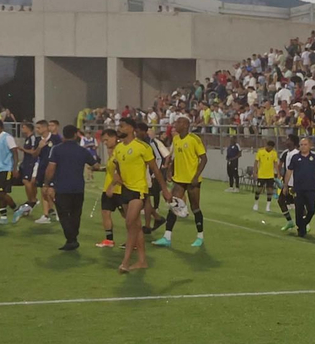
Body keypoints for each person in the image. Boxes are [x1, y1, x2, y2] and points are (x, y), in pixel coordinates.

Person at [107, 118, 168, 274]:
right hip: (125, 190)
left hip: (139, 190)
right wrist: (113, 184)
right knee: (136, 226)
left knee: (129, 223)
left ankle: (125, 262)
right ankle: (142, 261)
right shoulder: (119, 148)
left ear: (131, 128)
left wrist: (165, 190)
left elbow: (155, 169)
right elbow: (118, 167)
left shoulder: (142, 147)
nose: (119, 129)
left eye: (122, 126)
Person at [42, 124, 100, 251]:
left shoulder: (57, 149)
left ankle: (71, 239)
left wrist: (46, 184)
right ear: (75, 135)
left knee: (63, 214)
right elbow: (95, 165)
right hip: (78, 188)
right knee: (75, 214)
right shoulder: (82, 151)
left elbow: (51, 169)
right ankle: (73, 238)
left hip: (62, 187)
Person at [155, 115, 206, 249]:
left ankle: (200, 236)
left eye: (178, 122)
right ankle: (167, 237)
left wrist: (196, 176)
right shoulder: (176, 139)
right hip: (179, 179)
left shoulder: (194, 139)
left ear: (185, 125)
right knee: (174, 206)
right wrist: (170, 170)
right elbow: (175, 157)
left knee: (195, 207)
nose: (175, 124)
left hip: (192, 180)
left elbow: (204, 159)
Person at [285, 137, 315, 239]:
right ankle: (300, 228)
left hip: (311, 188)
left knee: (311, 210)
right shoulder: (295, 157)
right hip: (298, 188)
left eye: (305, 144)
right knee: (299, 209)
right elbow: (289, 171)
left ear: (310, 146)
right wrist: (285, 185)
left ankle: (303, 224)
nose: (303, 147)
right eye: (301, 145)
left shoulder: (314, 157)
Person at [0, 116, 21, 225]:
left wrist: (15, 168)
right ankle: (3, 217)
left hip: (6, 169)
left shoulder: (7, 137)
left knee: (1, 193)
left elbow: (15, 152)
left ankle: (17, 209)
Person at [251, 137, 279, 212]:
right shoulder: (260, 151)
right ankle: (256, 204)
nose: (270, 149)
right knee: (259, 189)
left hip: (270, 175)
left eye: (271, 148)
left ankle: (268, 206)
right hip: (261, 175)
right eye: (269, 147)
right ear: (267, 145)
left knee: (270, 190)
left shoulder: (274, 153)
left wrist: (278, 173)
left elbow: (275, 163)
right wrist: (255, 172)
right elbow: (256, 162)